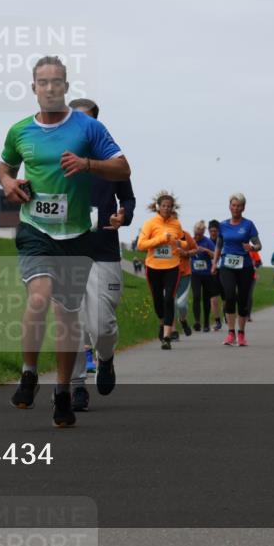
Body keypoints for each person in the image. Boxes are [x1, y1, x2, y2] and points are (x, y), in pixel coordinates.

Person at [0, 57, 130, 427]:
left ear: (66, 88)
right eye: (43, 82)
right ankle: (28, 372)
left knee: (67, 318)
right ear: (34, 88)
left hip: (75, 236)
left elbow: (123, 168)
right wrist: (8, 184)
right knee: (39, 299)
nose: (50, 87)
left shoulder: (89, 128)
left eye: (57, 81)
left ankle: (62, 392)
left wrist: (89, 165)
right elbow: (5, 166)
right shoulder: (20, 130)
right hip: (35, 230)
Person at [65, 99, 135, 412]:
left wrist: (124, 216)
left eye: (88, 121)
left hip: (104, 251)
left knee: (102, 326)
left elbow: (129, 199)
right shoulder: (58, 157)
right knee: (73, 322)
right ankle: (77, 386)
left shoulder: (112, 160)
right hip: (67, 249)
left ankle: (105, 359)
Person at [137, 192, 187, 349]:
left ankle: (167, 336)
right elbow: (141, 245)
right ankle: (162, 322)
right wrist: (161, 239)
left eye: (169, 206)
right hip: (153, 267)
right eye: (163, 206)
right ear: (158, 207)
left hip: (172, 266)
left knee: (168, 299)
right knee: (158, 300)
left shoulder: (176, 224)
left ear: (172, 208)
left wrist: (178, 243)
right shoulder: (150, 223)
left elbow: (185, 243)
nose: (166, 208)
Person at [211, 193, 261, 346]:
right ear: (229, 207)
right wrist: (214, 263)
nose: (236, 208)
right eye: (233, 205)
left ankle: (241, 334)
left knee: (243, 300)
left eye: (239, 205)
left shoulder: (248, 225)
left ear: (243, 208)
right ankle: (230, 333)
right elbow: (219, 246)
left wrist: (252, 247)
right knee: (230, 296)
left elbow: (259, 245)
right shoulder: (223, 225)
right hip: (227, 266)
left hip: (245, 266)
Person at [191, 221, 217, 332]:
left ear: (203, 233)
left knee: (206, 299)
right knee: (196, 296)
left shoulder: (208, 242)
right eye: (196, 234)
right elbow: (184, 252)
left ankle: (206, 322)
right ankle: (197, 321)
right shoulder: (191, 241)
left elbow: (216, 255)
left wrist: (207, 251)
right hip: (195, 274)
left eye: (200, 234)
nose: (197, 236)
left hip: (207, 275)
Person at [207, 220, 225, 330]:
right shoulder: (206, 242)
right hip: (212, 272)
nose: (213, 233)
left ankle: (226, 314)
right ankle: (217, 321)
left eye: (215, 231)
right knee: (213, 299)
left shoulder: (223, 241)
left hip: (223, 271)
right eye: (211, 231)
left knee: (226, 298)